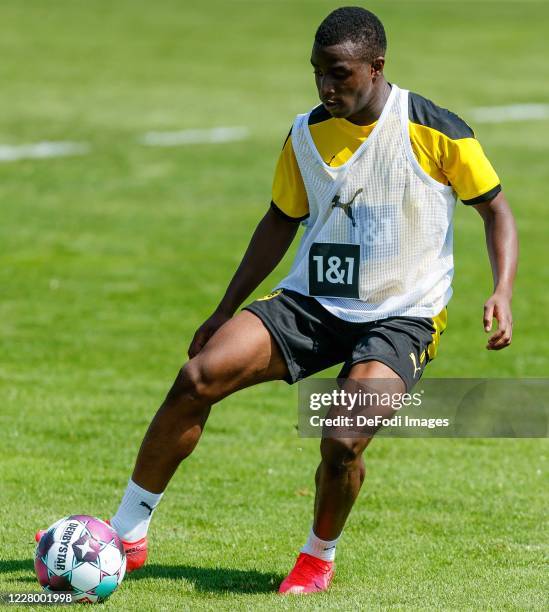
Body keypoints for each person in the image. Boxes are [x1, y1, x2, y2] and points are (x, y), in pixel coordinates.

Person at [38, 6, 518, 595]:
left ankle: (317, 561)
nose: (326, 86)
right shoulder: (304, 134)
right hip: (313, 302)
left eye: (339, 73)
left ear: (376, 67)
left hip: (403, 315)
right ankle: (127, 533)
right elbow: (279, 221)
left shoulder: (436, 129)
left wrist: (501, 290)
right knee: (198, 376)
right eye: (317, 71)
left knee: (341, 438)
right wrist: (223, 309)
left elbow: (495, 208)